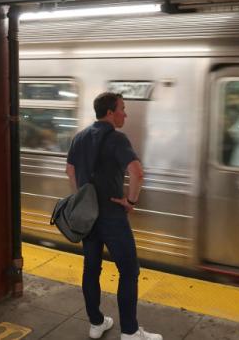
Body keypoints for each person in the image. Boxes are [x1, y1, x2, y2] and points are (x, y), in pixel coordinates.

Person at [66, 92, 162, 340]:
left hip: (88, 217)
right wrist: (130, 201)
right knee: (129, 271)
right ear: (110, 112)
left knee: (91, 268)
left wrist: (84, 198)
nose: (125, 114)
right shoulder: (117, 139)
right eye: (122, 108)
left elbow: (70, 172)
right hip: (112, 215)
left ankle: (96, 323)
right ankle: (130, 332)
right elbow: (137, 172)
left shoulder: (80, 137)